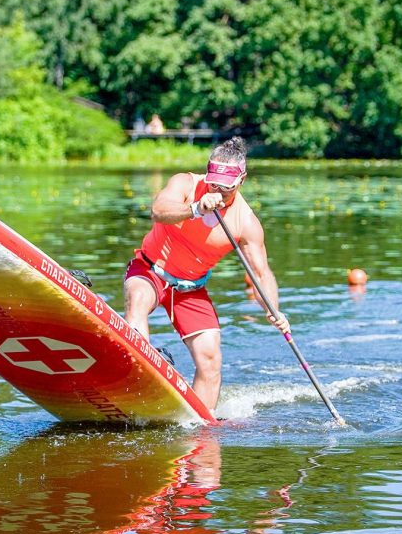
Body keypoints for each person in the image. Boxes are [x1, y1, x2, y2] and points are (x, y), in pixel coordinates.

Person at [123, 136, 290, 412]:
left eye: (226, 188)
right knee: (138, 297)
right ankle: (140, 373)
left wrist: (274, 310)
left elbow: (261, 273)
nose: (218, 191)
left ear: (242, 181)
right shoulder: (186, 184)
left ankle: (200, 424)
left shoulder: (245, 222)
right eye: (214, 184)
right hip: (151, 271)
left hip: (191, 288)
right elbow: (158, 211)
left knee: (210, 358)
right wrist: (195, 209)